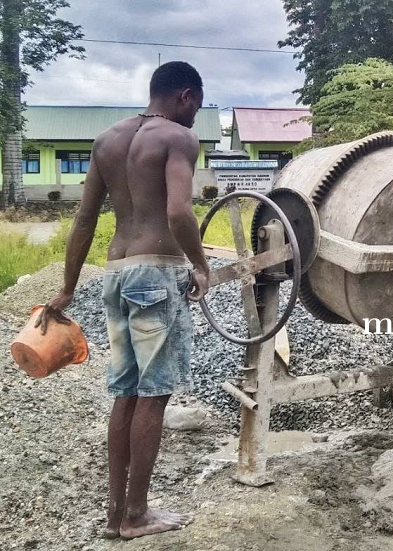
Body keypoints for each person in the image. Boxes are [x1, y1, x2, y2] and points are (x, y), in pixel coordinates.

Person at [37, 61, 211, 539]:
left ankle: (117, 514)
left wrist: (68, 287)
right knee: (154, 395)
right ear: (185, 96)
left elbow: (84, 221)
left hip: (115, 274)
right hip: (156, 272)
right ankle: (136, 515)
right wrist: (201, 264)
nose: (195, 114)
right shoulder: (178, 138)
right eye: (196, 104)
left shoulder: (107, 140)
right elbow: (178, 212)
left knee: (126, 393)